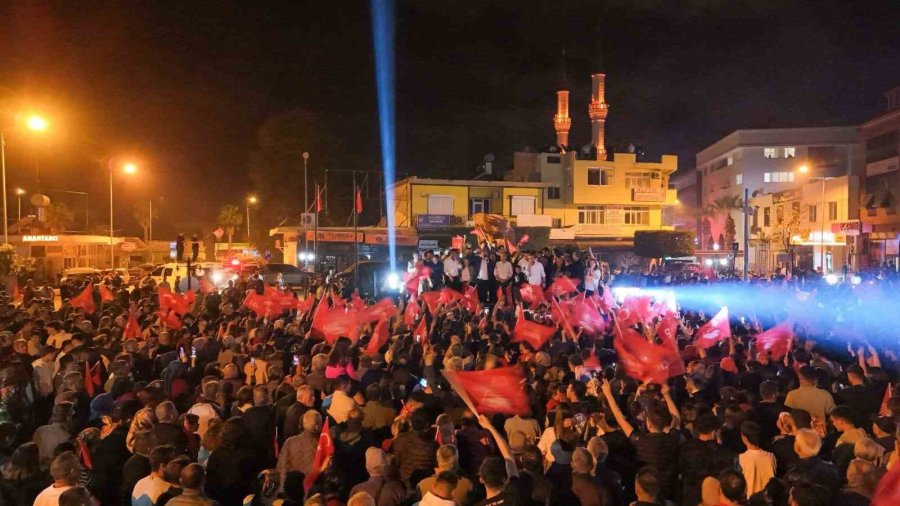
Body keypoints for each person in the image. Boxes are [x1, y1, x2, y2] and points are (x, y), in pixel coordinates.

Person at [737, 421, 776, 498]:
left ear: (744, 438)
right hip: (768, 500)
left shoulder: (740, 458)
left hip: (750, 500)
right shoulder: (771, 456)